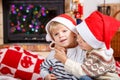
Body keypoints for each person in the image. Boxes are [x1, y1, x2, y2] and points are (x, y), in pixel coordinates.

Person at [54, 11, 120, 80]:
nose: (78, 40)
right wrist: (58, 44)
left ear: (93, 43)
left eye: (84, 41)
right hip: (93, 76)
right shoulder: (90, 47)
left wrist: (65, 60)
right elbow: (73, 43)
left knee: (83, 78)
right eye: (78, 34)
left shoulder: (100, 55)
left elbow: (82, 72)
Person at [40, 13, 87, 80]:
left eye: (64, 31)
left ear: (74, 33)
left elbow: (81, 72)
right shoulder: (54, 53)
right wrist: (46, 76)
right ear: (53, 39)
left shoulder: (81, 50)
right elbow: (43, 67)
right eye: (56, 34)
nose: (60, 35)